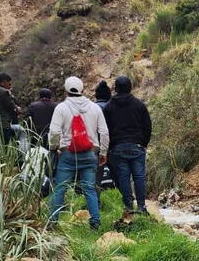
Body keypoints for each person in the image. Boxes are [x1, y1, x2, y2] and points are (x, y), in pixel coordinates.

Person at [48, 76, 109, 229]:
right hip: (90, 154)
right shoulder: (94, 108)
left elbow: (54, 132)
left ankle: (52, 222)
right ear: (82, 90)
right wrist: (103, 152)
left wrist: (54, 148)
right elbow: (104, 132)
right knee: (90, 189)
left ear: (66, 91)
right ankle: (95, 222)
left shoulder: (61, 108)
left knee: (60, 187)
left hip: (68, 154)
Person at [103, 75, 151, 214]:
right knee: (139, 177)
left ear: (116, 88)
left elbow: (105, 130)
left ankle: (129, 207)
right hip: (137, 145)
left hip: (117, 148)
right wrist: (143, 143)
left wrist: (109, 147)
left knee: (123, 177)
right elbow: (147, 127)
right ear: (130, 87)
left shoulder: (108, 107)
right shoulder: (139, 105)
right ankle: (141, 207)